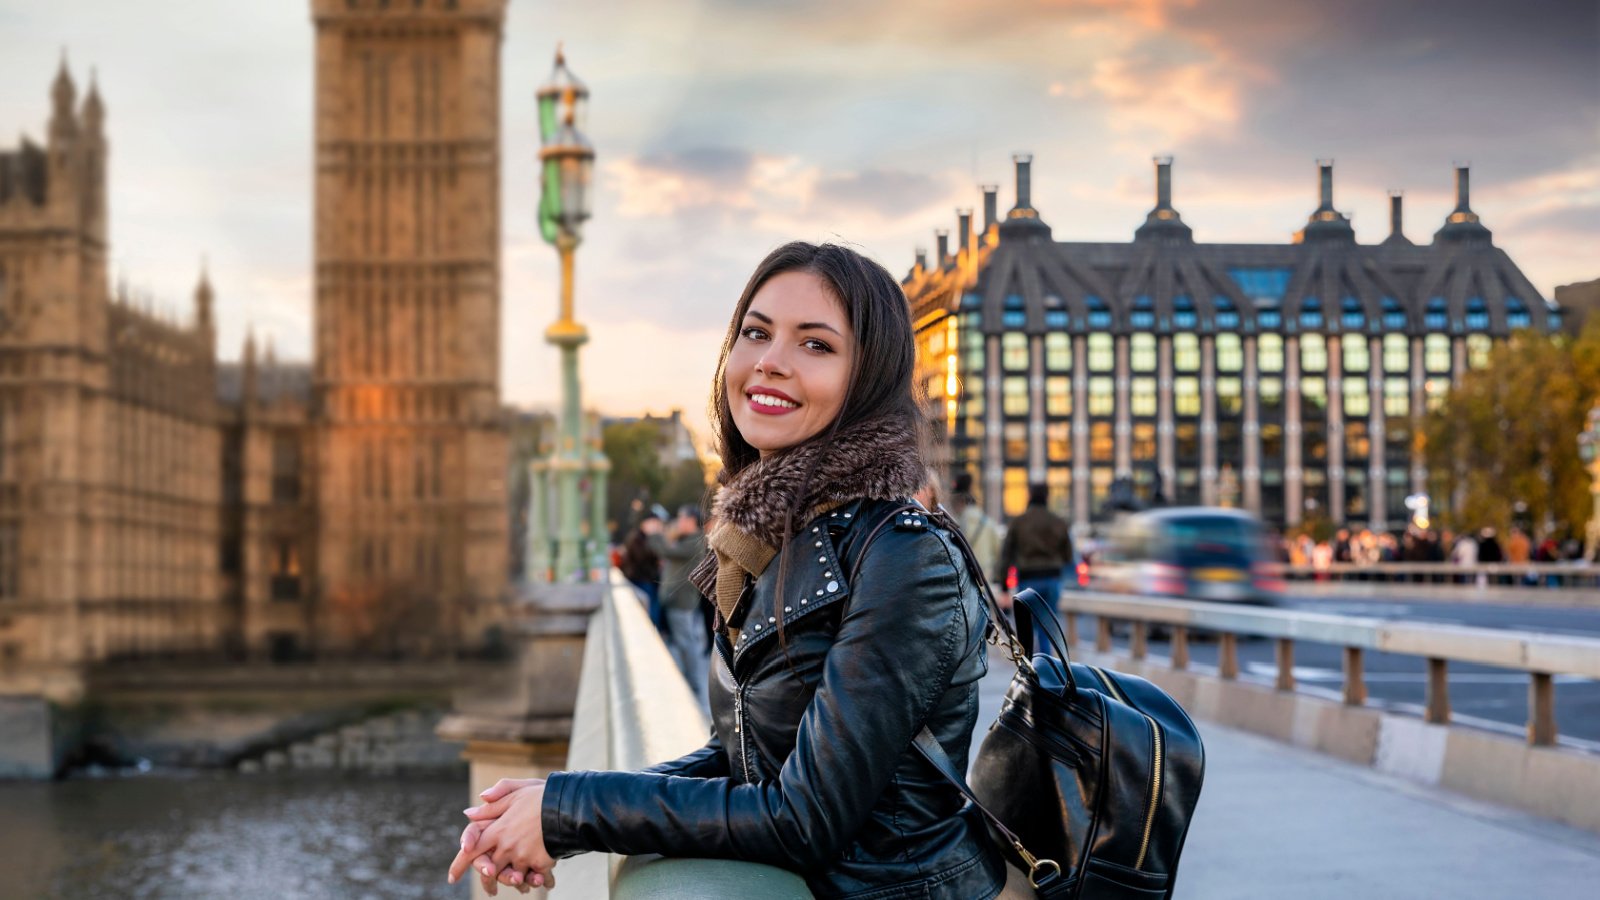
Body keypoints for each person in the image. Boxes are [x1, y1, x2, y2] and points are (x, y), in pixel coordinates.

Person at [448, 242, 1006, 899]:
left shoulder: (903, 556)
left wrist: (572, 810)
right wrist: (557, 809)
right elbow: (744, 756)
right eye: (756, 332)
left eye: (816, 345)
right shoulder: (767, 535)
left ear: (870, 378)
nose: (771, 362)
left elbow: (805, 818)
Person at [997, 482, 1074, 657]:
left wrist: (1003, 585)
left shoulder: (1019, 522)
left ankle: (1030, 669)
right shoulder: (1058, 522)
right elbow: (1068, 556)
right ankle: (1047, 665)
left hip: (1027, 579)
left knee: (1026, 630)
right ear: (1047, 496)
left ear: (1029, 496)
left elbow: (1006, 555)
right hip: (1052, 579)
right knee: (1047, 628)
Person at [656, 504, 711, 710]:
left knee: (687, 643)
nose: (679, 522)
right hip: (675, 600)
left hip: (681, 601)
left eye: (681, 518)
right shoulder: (686, 539)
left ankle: (694, 686)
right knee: (683, 642)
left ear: (690, 521)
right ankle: (689, 682)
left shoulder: (694, 541)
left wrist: (655, 535)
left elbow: (665, 551)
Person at [949, 471, 1001, 590]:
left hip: (964, 585)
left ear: (959, 502)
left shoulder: (955, 526)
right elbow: (999, 554)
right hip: (986, 584)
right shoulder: (988, 523)